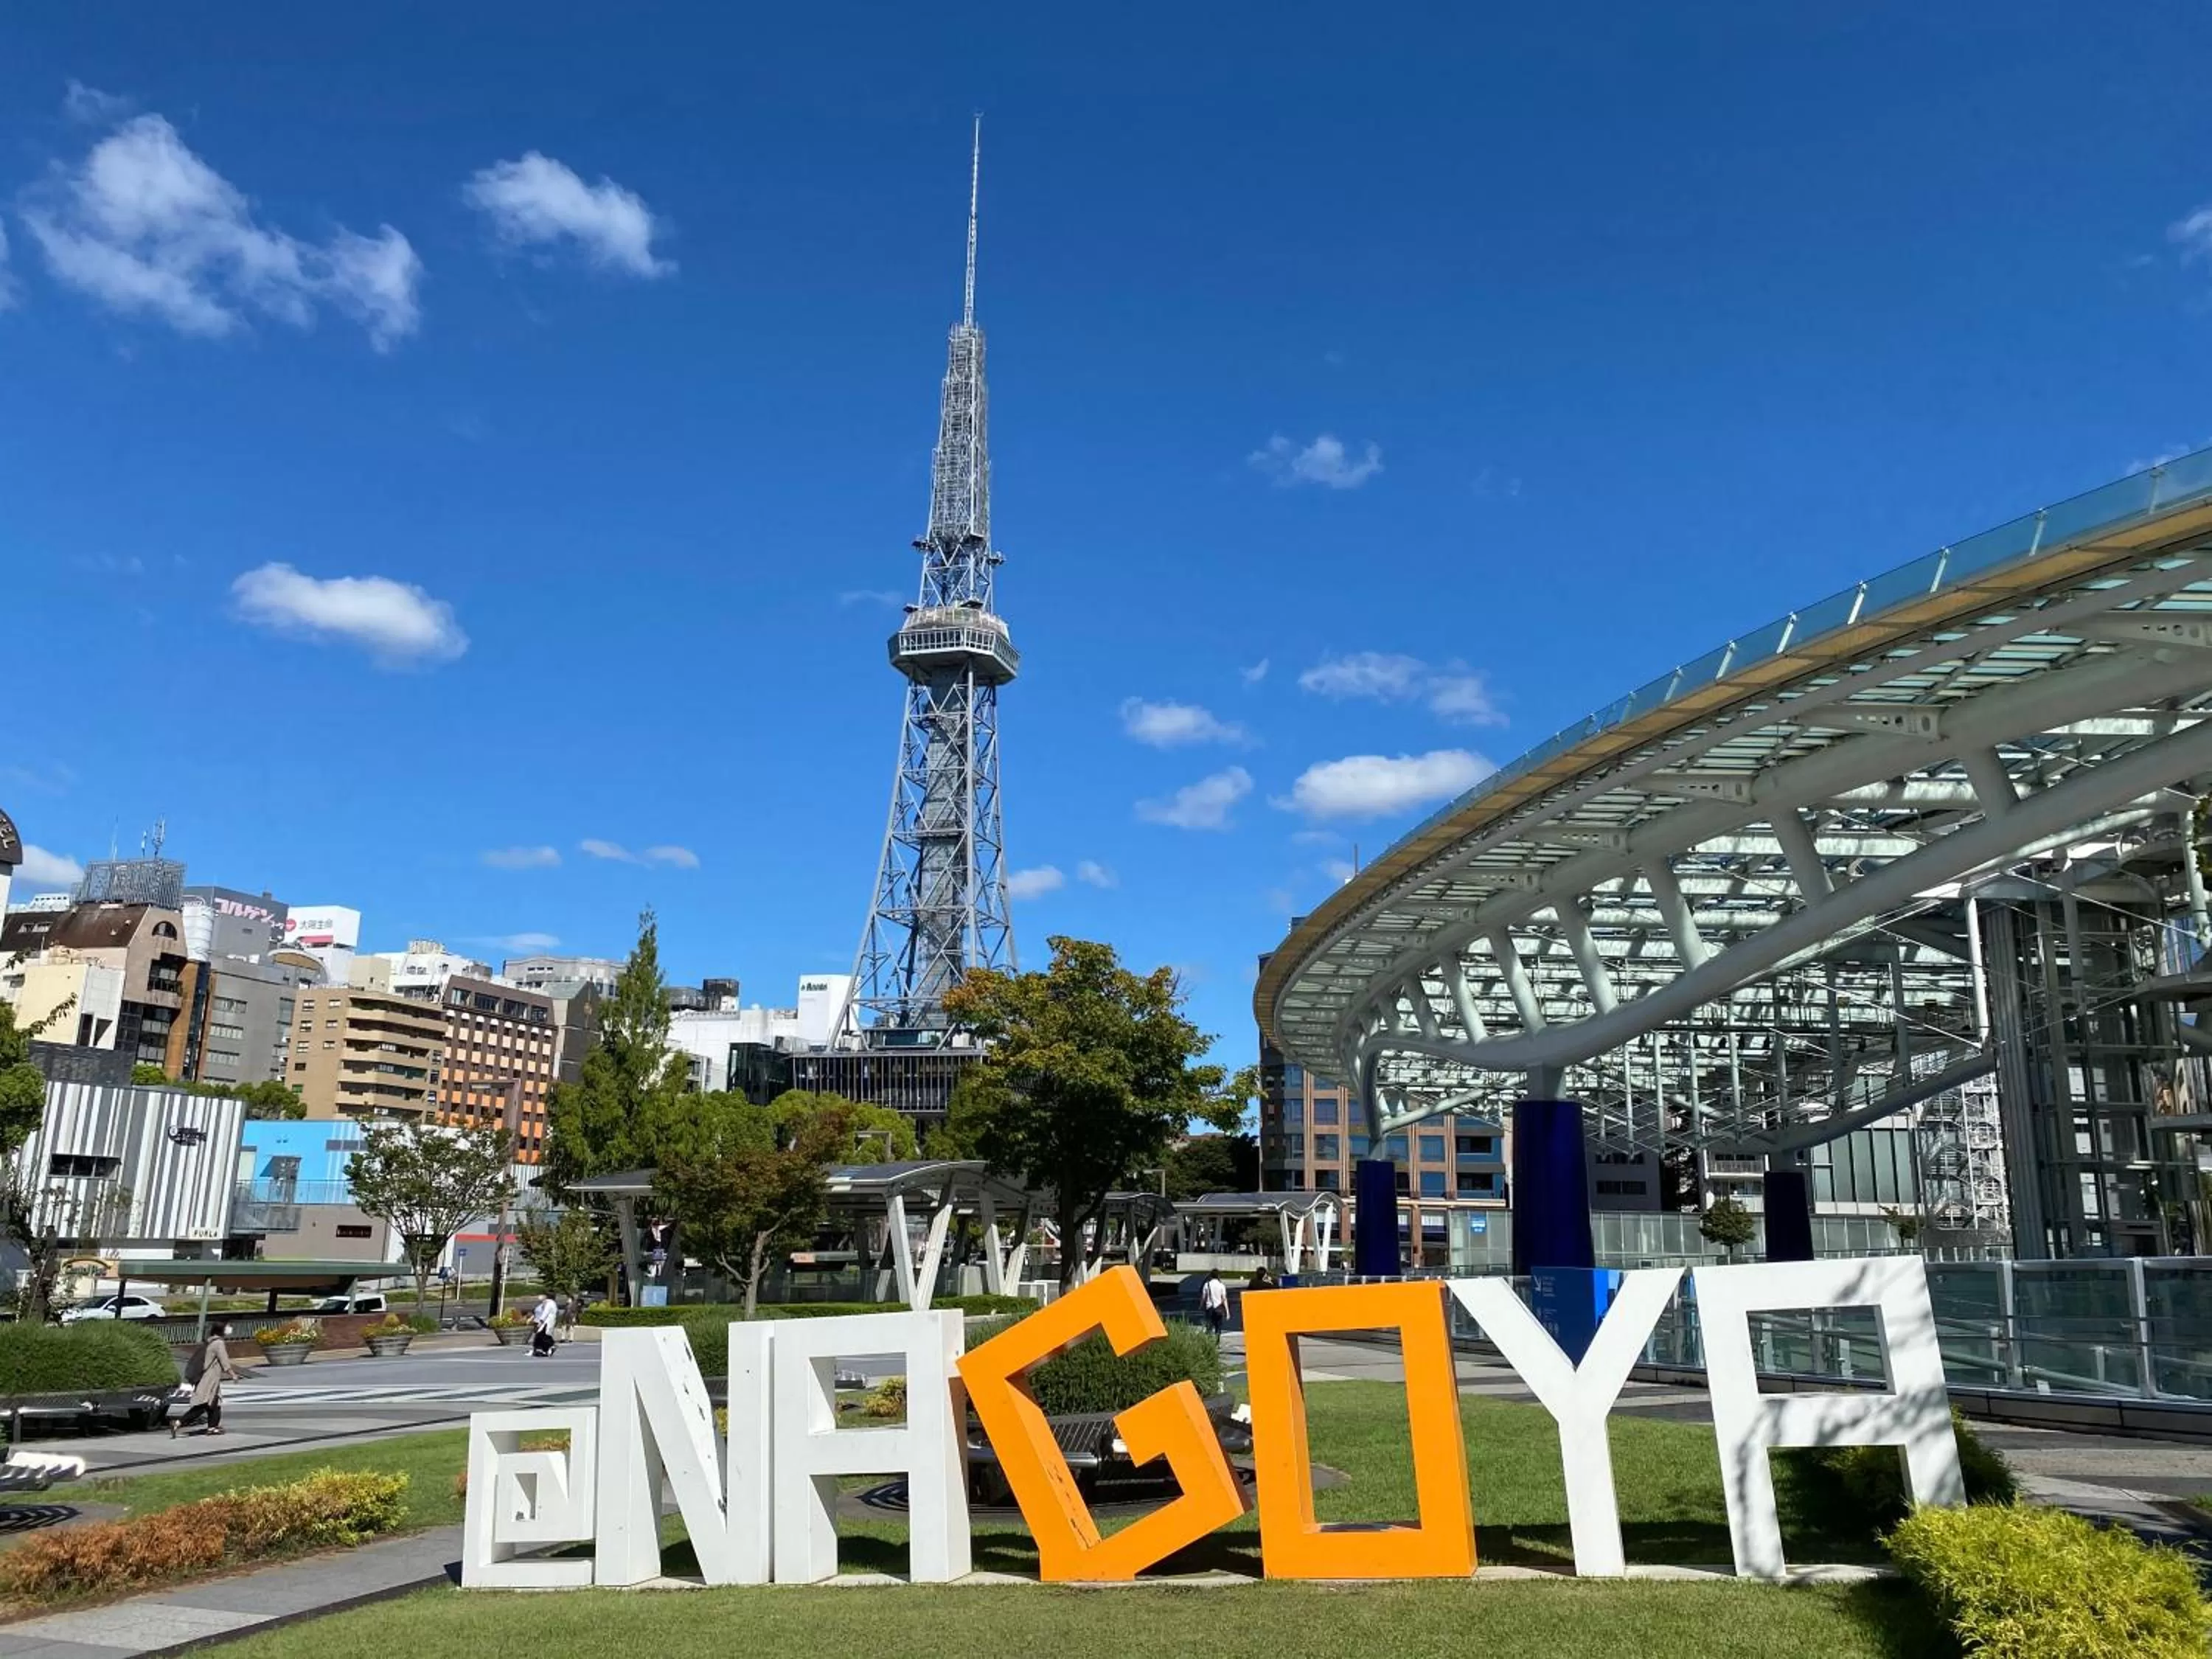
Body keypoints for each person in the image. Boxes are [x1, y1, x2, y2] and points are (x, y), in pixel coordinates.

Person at [172, 1321, 240, 1437]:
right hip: (209, 1378)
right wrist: (233, 1374)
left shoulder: (210, 1341)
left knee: (214, 1403)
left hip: (207, 1377)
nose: (229, 1329)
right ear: (221, 1330)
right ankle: (179, 1423)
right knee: (204, 1404)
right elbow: (224, 1361)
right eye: (227, 1326)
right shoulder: (218, 1343)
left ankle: (212, 1427)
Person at [1200, 1270, 1231, 1338]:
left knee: (1209, 1327)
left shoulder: (1207, 1285)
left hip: (1209, 1309)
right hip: (1219, 1309)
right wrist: (1227, 1312)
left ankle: (1209, 1342)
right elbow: (1224, 1299)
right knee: (1218, 1327)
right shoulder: (1221, 1285)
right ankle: (1217, 1343)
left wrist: (1201, 1306)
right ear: (1218, 1276)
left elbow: (1203, 1297)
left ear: (1211, 1276)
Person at [529, 1291, 559, 1357]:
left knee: (542, 1336)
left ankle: (549, 1346)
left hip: (546, 1322)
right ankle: (545, 1349)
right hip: (551, 1322)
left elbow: (545, 1313)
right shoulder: (554, 1304)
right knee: (545, 1335)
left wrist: (541, 1321)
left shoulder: (549, 1303)